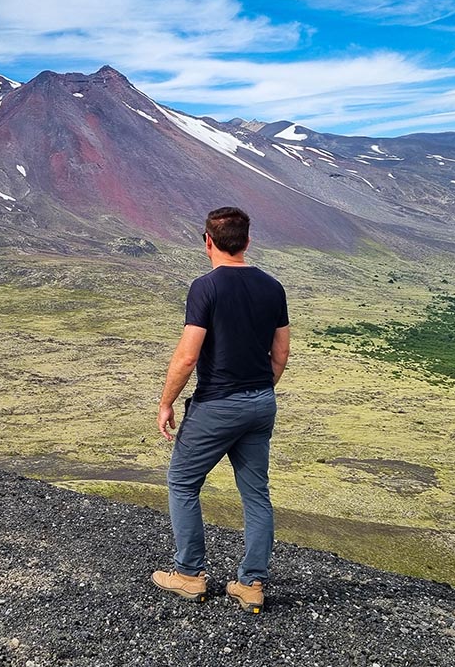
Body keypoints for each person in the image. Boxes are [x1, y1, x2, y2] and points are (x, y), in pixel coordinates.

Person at [151, 206, 290, 614]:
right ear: (248, 241)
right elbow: (280, 353)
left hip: (216, 403)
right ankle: (251, 585)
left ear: (208, 241)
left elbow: (187, 356)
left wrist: (166, 401)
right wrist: (258, 392)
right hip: (262, 402)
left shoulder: (205, 287)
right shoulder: (273, 287)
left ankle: (190, 575)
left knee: (181, 481)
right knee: (256, 494)